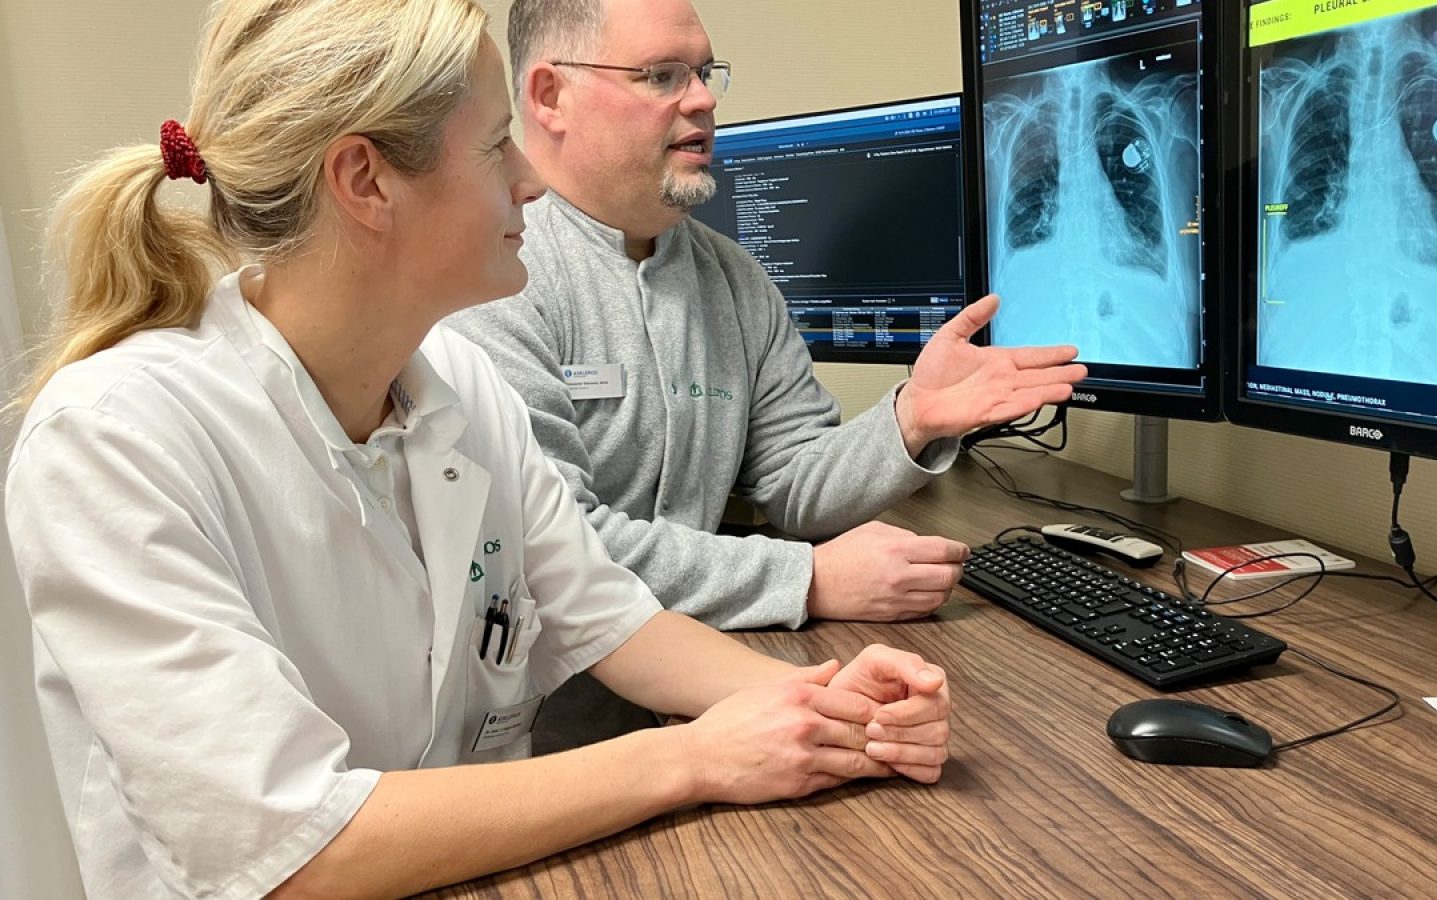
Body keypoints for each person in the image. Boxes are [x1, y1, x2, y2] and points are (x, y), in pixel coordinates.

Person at [3, 2, 951, 897]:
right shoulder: (114, 441)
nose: (530, 181)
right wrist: (696, 756)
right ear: (365, 180)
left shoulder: (456, 383)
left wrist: (824, 703)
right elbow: (291, 850)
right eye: (499, 144)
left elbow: (614, 620)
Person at [444, 0, 1085, 749]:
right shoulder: (493, 276)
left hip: (706, 698)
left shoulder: (733, 279)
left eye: (704, 73)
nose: (704, 99)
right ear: (551, 96)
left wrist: (911, 417)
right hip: (537, 740)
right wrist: (805, 580)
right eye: (662, 76)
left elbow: (793, 480)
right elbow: (559, 551)